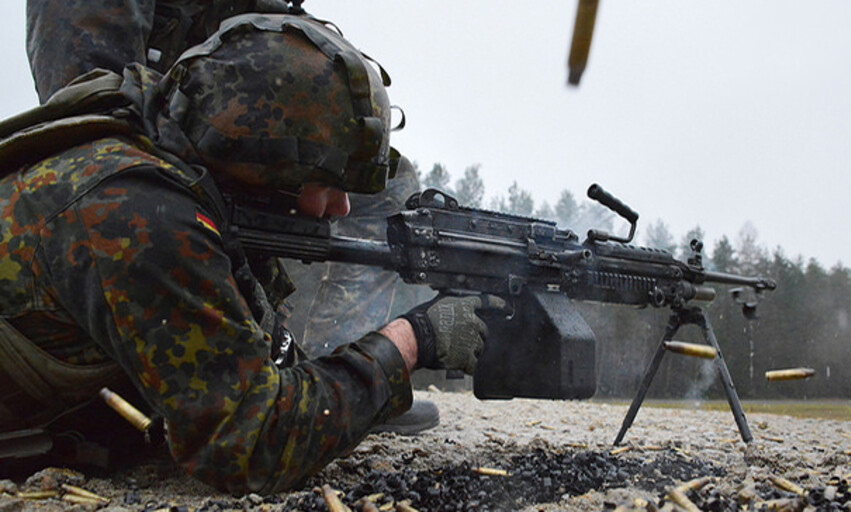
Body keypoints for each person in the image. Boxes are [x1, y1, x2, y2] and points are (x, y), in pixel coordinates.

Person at [0, 13, 499, 492]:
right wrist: (411, 340)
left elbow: (270, 373)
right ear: (266, 162)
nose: (340, 207)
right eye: (327, 183)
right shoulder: (141, 210)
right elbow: (253, 446)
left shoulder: (165, 147)